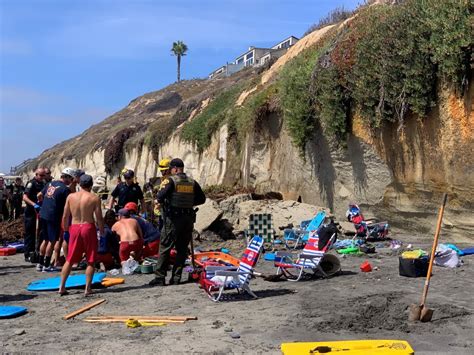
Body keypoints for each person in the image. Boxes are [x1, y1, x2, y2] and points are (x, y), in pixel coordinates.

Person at [149, 158, 206, 286]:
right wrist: (189, 203)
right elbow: (202, 199)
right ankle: (176, 278)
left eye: (170, 169)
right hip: (188, 219)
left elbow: (159, 197)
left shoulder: (171, 181)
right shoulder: (192, 182)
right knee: (181, 249)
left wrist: (163, 203)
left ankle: (160, 278)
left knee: (165, 247)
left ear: (174, 169)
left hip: (173, 220)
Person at [59, 174, 104, 297]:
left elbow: (65, 216)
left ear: (79, 184)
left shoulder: (71, 197)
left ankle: (62, 287)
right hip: (88, 227)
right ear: (91, 185)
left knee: (69, 259)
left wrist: (66, 230)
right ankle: (87, 288)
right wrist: (102, 231)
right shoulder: (94, 198)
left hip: (74, 227)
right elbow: (99, 218)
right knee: (90, 259)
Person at [36, 168, 74, 272]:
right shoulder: (65, 189)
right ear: (66, 177)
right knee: (52, 241)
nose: (71, 181)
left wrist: (44, 204)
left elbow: (39, 195)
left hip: (43, 214)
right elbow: (69, 204)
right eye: (70, 179)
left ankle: (40, 263)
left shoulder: (50, 183)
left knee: (45, 239)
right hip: (53, 216)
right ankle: (47, 265)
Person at [22, 168, 46, 262]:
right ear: (36, 175)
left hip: (39, 211)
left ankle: (37, 252)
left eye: (43, 175)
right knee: (29, 233)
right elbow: (25, 197)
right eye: (40, 175)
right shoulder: (31, 183)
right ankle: (28, 253)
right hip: (30, 211)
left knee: (39, 233)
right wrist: (33, 204)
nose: (42, 177)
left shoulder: (43, 184)